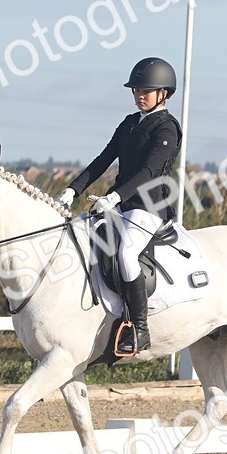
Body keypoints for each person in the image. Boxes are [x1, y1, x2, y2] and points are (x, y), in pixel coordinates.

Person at [57, 57, 183, 355]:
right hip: (122, 203)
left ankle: (139, 329)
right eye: (137, 89)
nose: (140, 95)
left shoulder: (167, 129)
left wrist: (115, 197)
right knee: (81, 238)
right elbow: (102, 160)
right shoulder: (129, 124)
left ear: (163, 93)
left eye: (146, 90)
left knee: (126, 252)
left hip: (149, 205)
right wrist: (72, 190)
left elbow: (149, 171)